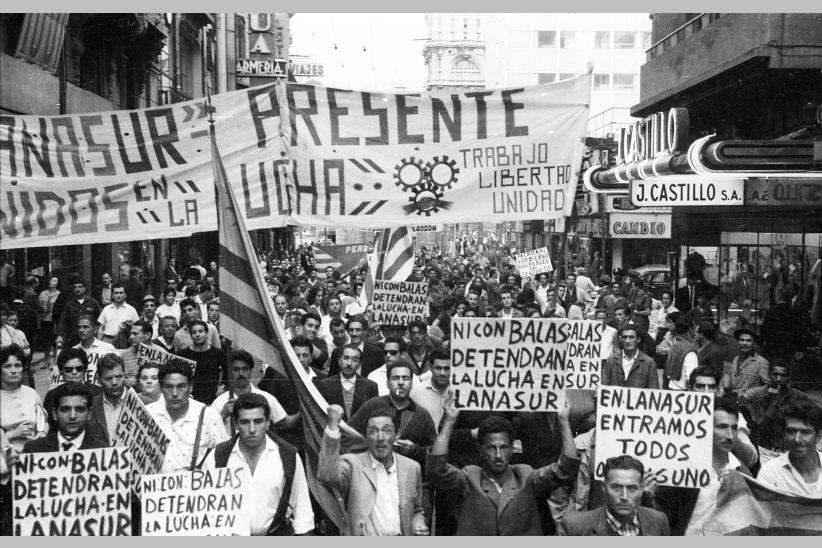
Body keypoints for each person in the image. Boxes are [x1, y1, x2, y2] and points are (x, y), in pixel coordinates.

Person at [427, 391, 579, 535]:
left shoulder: (526, 476)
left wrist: (564, 422)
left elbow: (565, 468)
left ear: (513, 449)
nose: (498, 455)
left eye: (504, 447)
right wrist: (450, 421)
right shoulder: (470, 477)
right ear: (480, 450)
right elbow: (436, 470)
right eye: (492, 448)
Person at [202, 393, 315, 535]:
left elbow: (303, 514)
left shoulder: (288, 456)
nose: (252, 429)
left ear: (268, 422)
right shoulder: (217, 457)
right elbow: (203, 512)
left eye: (258, 421)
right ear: (236, 423)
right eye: (244, 422)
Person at [317, 404, 429, 536]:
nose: (380, 438)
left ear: (397, 435)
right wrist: (332, 427)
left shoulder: (411, 467)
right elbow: (326, 475)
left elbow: (416, 511)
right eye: (373, 431)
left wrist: (418, 524)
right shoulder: (353, 464)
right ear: (364, 437)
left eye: (387, 431)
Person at [649, 398, 749, 535]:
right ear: (706, 428)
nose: (730, 435)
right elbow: (664, 517)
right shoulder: (683, 469)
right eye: (722, 427)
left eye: (734, 428)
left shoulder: (742, 471)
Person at [349, 360, 437, 468]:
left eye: (405, 378)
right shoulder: (372, 406)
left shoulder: (422, 415)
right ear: (387, 383)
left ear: (412, 383)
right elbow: (348, 435)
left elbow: (435, 454)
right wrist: (372, 445)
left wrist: (415, 450)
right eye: (395, 378)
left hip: (405, 477)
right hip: (371, 473)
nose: (401, 382)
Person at [146, 359, 228, 472]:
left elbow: (224, 459)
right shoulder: (147, 413)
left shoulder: (208, 416)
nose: (174, 393)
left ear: (190, 387)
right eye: (169, 387)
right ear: (161, 388)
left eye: (181, 386)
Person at [558, 455, 670, 536]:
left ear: (641, 489)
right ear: (604, 488)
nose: (624, 496)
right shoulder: (575, 527)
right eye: (616, 487)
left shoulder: (658, 521)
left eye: (632, 488)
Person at [739, 360, 818, 461]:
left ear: (789, 378)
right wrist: (773, 404)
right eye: (775, 374)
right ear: (769, 375)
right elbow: (762, 431)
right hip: (764, 452)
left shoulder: (798, 396)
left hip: (790, 452)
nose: (779, 379)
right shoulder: (756, 396)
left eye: (783, 375)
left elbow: (817, 419)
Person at [209, 350, 287, 437]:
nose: (241, 373)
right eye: (236, 369)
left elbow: (286, 423)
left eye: (245, 369)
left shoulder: (267, 398)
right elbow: (207, 432)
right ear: (230, 372)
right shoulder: (219, 403)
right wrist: (223, 415)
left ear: (251, 371)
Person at [757, 402, 822, 497]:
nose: (797, 439)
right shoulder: (770, 473)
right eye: (791, 431)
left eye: (805, 432)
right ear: (784, 434)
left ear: (818, 436)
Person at [22, 381, 108, 453]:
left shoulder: (104, 451)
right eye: (65, 409)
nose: (72, 416)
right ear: (54, 414)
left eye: (79, 409)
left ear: (89, 413)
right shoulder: (33, 449)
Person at [0, 345, 47, 452]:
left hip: (33, 455)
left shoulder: (31, 393)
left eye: (17, 365)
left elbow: (43, 420)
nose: (13, 371)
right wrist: (13, 434)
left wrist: (42, 433)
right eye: (7, 366)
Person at [316, 345, 379, 421]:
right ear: (339, 361)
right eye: (346, 358)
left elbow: (374, 417)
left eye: (354, 360)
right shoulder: (325, 385)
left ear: (359, 364)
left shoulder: (371, 386)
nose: (349, 363)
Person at [177, 319, 226, 405]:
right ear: (191, 336)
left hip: (214, 398)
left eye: (200, 331)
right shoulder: (183, 354)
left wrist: (222, 386)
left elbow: (227, 370)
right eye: (194, 332)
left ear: (207, 333)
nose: (197, 334)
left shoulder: (217, 353)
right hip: (192, 399)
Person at [42, 347, 103, 414]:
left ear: (85, 370)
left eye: (79, 368)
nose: (74, 372)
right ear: (61, 371)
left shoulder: (98, 393)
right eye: (69, 369)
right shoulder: (51, 395)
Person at [86, 352, 127, 446]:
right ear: (98, 380)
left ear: (125, 375)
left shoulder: (143, 403)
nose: (114, 383)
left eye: (119, 377)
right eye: (108, 379)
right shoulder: (90, 406)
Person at [601, 324, 659, 388]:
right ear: (620, 340)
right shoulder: (612, 360)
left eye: (631, 337)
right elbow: (604, 384)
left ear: (638, 339)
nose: (628, 341)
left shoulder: (648, 363)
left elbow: (654, 389)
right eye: (624, 337)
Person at [55, 274, 101, 349]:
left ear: (84, 288)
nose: (77, 289)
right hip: (73, 338)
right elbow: (63, 321)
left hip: (90, 338)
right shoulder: (69, 305)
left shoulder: (93, 303)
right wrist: (59, 336)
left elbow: (99, 321)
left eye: (80, 287)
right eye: (75, 287)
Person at [720, 327, 769, 397]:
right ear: (738, 342)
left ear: (754, 343)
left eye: (748, 341)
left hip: (749, 404)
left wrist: (748, 394)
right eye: (742, 340)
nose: (745, 343)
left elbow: (767, 387)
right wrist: (722, 387)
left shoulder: (761, 362)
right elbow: (728, 380)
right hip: (733, 401)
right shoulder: (735, 359)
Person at [409, 349, 451, 429]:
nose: (442, 373)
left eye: (446, 369)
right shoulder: (417, 392)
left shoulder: (458, 392)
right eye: (438, 368)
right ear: (431, 368)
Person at [96, 283, 139, 347]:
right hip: (108, 341)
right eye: (116, 293)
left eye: (121, 293)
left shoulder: (131, 310)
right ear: (112, 295)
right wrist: (98, 344)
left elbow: (137, 328)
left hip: (124, 341)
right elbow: (101, 328)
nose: (118, 295)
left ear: (125, 295)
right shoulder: (106, 309)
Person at [663, 317, 698, 390]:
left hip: (672, 390)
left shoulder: (675, 345)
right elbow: (691, 378)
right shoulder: (689, 350)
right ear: (689, 330)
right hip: (683, 394)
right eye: (694, 329)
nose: (695, 332)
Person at [118, 319, 154, 388]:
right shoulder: (124, 355)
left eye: (135, 334)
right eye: (130, 334)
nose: (131, 337)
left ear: (147, 335)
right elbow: (118, 375)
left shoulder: (161, 354)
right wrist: (125, 381)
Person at [37, 275, 61, 365]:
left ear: (58, 283)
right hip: (44, 320)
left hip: (54, 321)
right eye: (51, 280)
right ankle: (46, 361)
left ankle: (55, 360)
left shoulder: (59, 294)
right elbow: (39, 305)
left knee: (55, 341)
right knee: (45, 342)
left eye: (54, 281)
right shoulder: (43, 293)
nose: (51, 282)